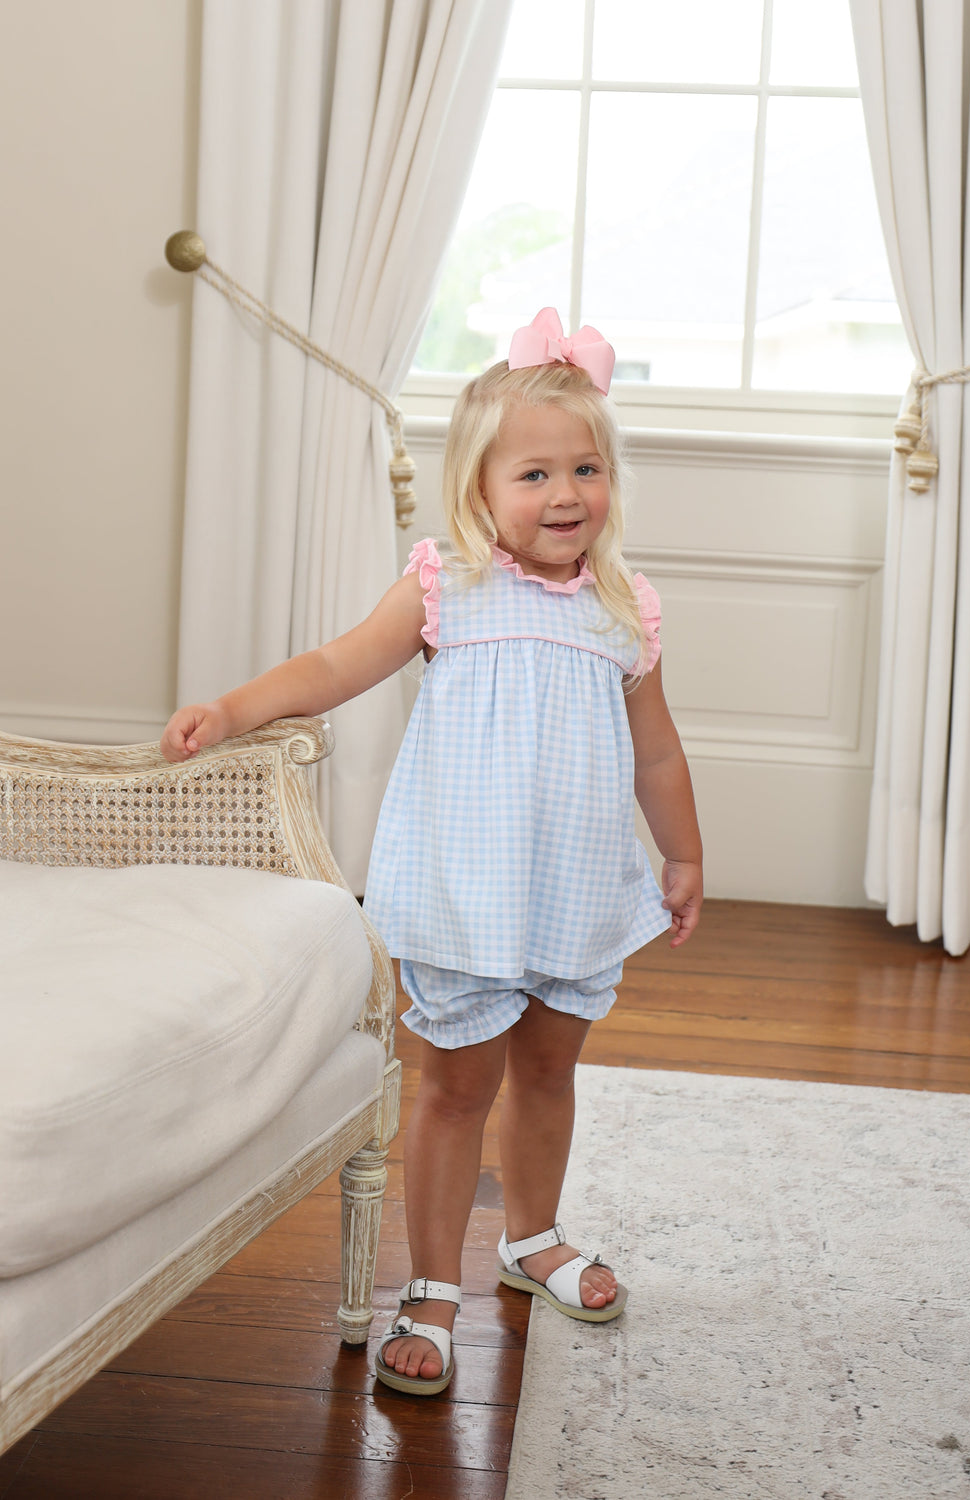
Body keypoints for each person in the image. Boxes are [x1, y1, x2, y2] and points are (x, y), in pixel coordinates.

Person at [161, 307, 703, 1397]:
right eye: (535, 474)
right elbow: (332, 666)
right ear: (478, 492)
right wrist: (233, 707)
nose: (565, 496)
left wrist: (681, 854)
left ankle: (532, 1236)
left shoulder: (621, 609)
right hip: (463, 892)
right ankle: (432, 1284)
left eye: (586, 469)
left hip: (574, 890)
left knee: (550, 1074)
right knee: (453, 1090)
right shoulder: (443, 587)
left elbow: (655, 753)